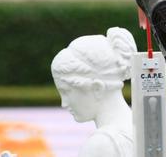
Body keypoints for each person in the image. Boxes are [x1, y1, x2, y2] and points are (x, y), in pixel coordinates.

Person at [51, 27, 136, 157]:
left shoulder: (101, 145)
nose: (64, 103)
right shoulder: (141, 128)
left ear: (97, 88)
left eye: (67, 92)